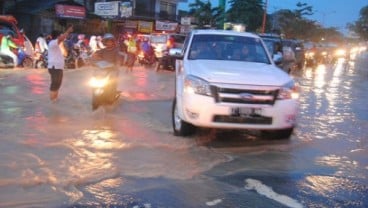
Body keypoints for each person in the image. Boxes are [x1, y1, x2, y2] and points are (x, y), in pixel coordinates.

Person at [47, 25, 74, 102]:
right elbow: (61, 38)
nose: (63, 36)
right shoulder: (52, 43)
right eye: (61, 35)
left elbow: (65, 54)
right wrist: (68, 31)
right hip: (54, 67)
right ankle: (52, 102)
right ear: (58, 36)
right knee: (55, 84)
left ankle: (55, 100)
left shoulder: (58, 45)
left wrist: (62, 45)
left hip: (59, 67)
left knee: (58, 84)